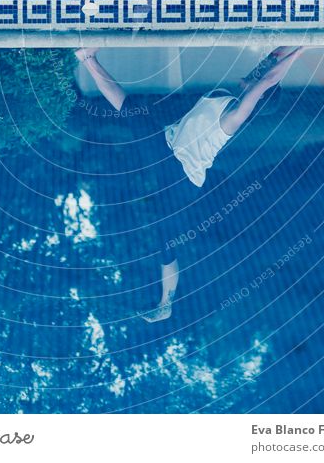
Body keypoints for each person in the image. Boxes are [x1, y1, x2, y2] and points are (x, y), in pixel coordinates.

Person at [74, 45, 306, 322]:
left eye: (255, 85)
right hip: (173, 158)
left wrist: (304, 47)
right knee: (132, 113)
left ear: (258, 96)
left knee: (166, 240)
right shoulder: (234, 100)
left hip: (180, 174)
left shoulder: (235, 116)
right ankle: (87, 58)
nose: (249, 78)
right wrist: (283, 50)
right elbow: (268, 71)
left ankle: (166, 303)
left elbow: (267, 81)